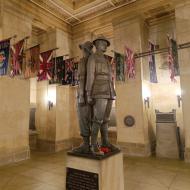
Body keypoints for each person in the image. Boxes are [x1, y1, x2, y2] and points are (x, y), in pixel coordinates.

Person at [86, 36, 118, 154]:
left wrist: (112, 90)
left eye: (106, 43)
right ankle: (93, 145)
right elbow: (90, 76)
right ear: (97, 44)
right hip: (99, 90)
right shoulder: (93, 58)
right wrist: (89, 93)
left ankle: (105, 142)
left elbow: (110, 76)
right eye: (102, 43)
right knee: (98, 119)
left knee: (106, 119)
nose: (105, 45)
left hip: (109, 90)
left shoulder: (105, 59)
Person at [72, 41, 93, 154]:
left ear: (85, 50)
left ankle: (86, 144)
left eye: (82, 49)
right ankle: (93, 143)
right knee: (93, 119)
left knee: (83, 119)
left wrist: (81, 95)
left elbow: (81, 78)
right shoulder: (96, 61)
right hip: (94, 95)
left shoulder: (83, 61)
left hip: (84, 95)